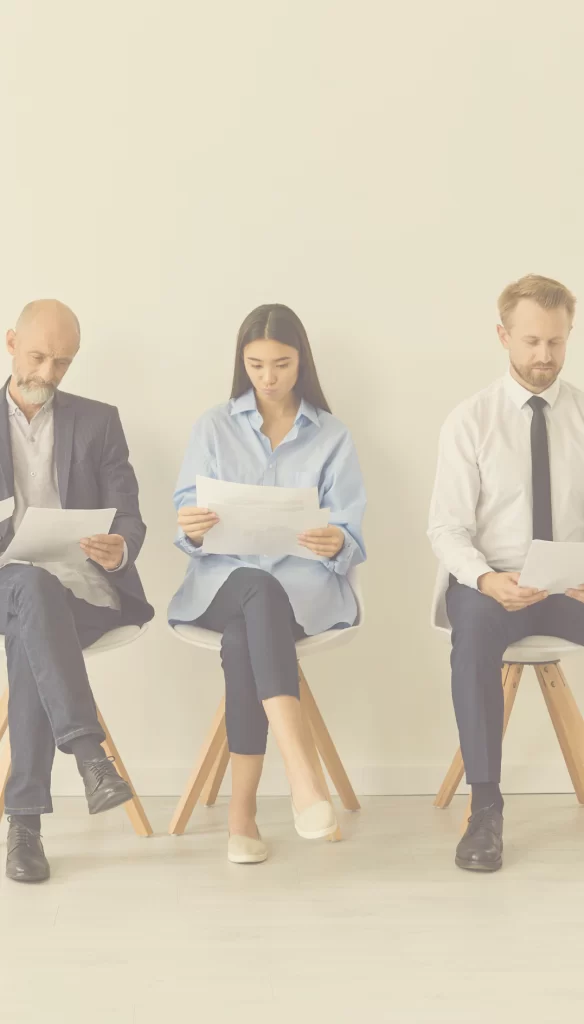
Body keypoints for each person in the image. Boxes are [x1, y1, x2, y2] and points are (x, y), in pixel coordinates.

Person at [169, 303, 366, 864]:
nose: (269, 378)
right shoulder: (212, 426)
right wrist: (194, 528)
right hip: (219, 585)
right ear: (242, 363)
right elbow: (187, 518)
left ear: (302, 360)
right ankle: (303, 777)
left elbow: (350, 531)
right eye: (256, 365)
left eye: (281, 363)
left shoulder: (333, 436)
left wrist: (337, 543)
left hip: (302, 594)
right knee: (254, 584)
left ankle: (243, 815)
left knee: (247, 637)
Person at [428, 273, 584, 873]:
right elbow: (445, 528)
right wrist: (486, 579)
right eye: (531, 342)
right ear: (504, 337)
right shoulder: (471, 420)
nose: (544, 356)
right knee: (473, 645)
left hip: (567, 583)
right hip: (495, 583)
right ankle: (486, 809)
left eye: (556, 342)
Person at [0, 299, 154, 883]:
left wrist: (120, 545)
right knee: (29, 593)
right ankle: (89, 755)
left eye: (62, 363)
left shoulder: (98, 421)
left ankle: (25, 825)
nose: (47, 374)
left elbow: (130, 517)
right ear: (11, 341)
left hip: (79, 592)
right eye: (38, 356)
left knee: (33, 622)